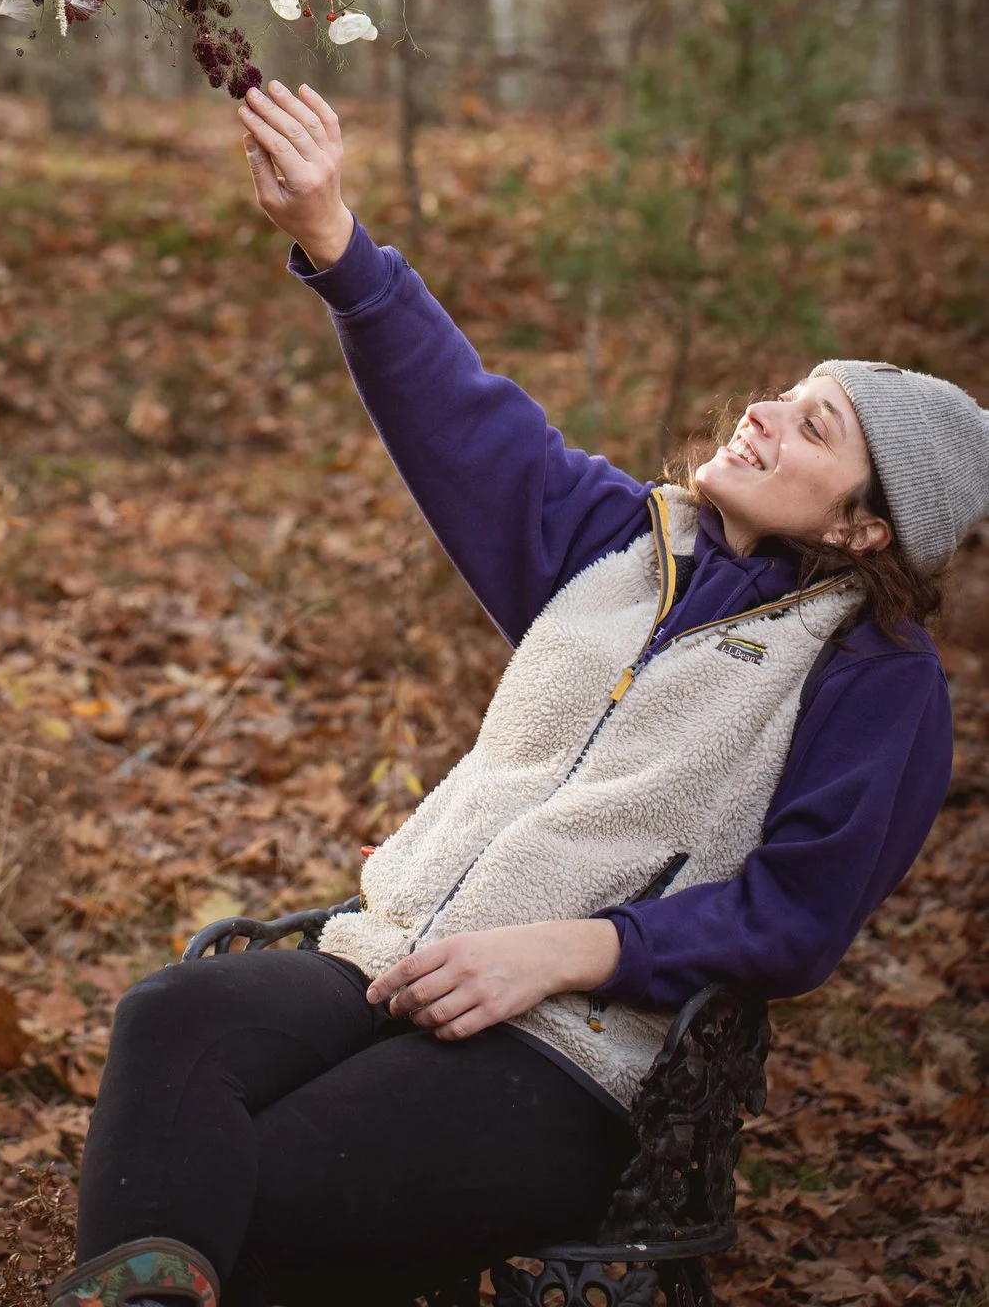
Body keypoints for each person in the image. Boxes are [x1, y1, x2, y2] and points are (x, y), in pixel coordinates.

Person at [50, 82, 983, 1307]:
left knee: (261, 1180)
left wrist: (572, 948)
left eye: (812, 428)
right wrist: (332, 233)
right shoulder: (623, 541)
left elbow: (795, 915)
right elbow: (465, 418)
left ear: (866, 526)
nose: (761, 413)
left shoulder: (875, 679)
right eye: (787, 392)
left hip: (573, 1055)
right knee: (174, 1018)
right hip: (388, 957)